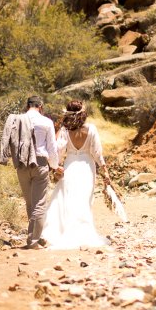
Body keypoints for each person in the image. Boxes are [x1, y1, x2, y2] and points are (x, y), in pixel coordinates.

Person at [41, 100, 114, 250]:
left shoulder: (65, 131)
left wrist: (57, 167)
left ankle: (63, 231)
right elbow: (97, 153)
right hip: (87, 166)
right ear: (83, 113)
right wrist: (105, 170)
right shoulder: (91, 129)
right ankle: (83, 232)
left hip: (71, 166)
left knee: (67, 198)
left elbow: (58, 151)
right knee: (84, 199)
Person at [0, 96, 59, 249]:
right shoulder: (46, 122)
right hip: (39, 163)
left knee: (30, 202)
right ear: (41, 106)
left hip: (22, 163)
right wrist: (54, 165)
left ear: (27, 106)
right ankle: (33, 241)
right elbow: (52, 147)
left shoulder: (18, 120)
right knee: (39, 203)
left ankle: (35, 237)